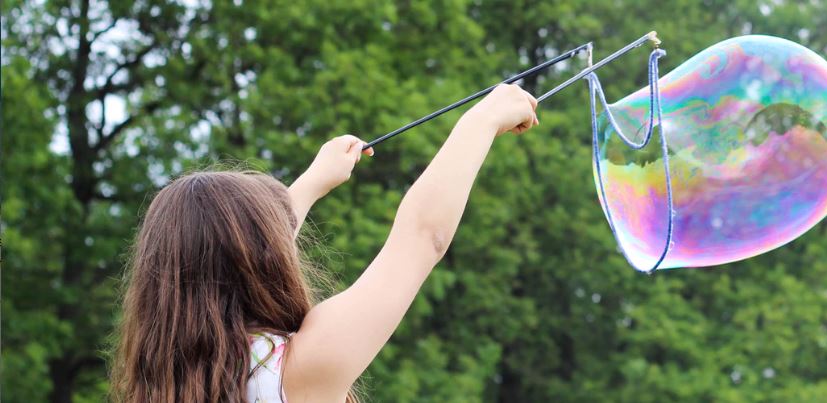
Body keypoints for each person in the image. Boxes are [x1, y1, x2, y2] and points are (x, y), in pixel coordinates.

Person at [110, 84, 540, 402]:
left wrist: (314, 182)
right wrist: (482, 119)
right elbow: (422, 237)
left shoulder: (159, 382)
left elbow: (246, 251)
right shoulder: (293, 372)